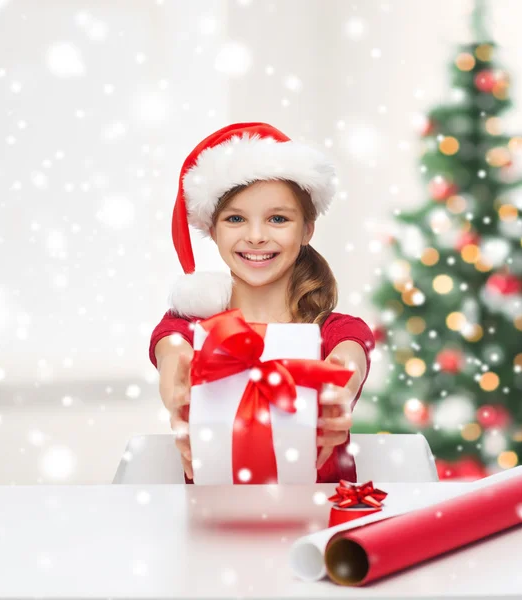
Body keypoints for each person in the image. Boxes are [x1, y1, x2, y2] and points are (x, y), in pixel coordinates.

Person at [149, 122, 375, 484]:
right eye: (236, 218)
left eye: (278, 218)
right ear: (213, 229)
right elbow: (172, 350)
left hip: (322, 529)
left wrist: (339, 386)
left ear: (307, 229)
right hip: (211, 529)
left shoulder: (337, 332)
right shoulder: (188, 327)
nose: (256, 236)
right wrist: (176, 378)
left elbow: (350, 358)